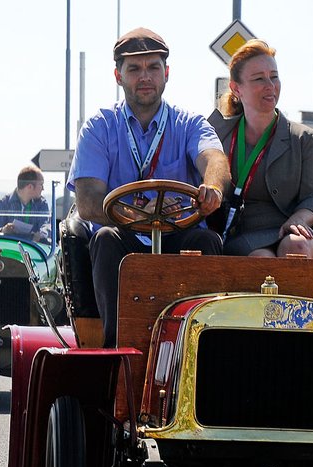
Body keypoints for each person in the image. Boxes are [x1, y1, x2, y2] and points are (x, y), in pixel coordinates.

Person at [68, 27, 230, 347]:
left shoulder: (190, 123)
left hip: (176, 236)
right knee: (104, 239)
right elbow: (87, 202)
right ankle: (119, 352)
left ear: (166, 73)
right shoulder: (99, 127)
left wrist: (212, 188)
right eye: (134, 69)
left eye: (153, 67)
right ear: (118, 75)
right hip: (123, 236)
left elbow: (214, 158)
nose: (145, 76)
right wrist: (138, 212)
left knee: (206, 239)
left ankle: (200, 350)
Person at [209, 39, 313, 262]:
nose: (270, 85)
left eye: (274, 76)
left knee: (296, 247)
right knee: (260, 260)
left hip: (299, 228)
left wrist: (300, 218)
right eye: (259, 79)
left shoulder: (306, 139)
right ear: (236, 89)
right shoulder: (217, 136)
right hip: (245, 233)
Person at [0, 165, 51, 242]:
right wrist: (3, 230)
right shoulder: (2, 204)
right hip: (9, 249)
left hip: (33, 249)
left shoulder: (42, 204)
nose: (43, 188)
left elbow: (46, 225)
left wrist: (42, 233)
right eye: (41, 184)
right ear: (30, 187)